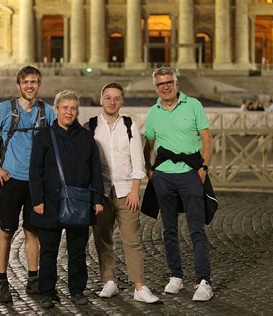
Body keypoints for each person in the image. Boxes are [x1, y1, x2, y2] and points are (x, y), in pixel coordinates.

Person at [0, 66, 56, 303]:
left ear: (39, 85)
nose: (30, 86)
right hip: (11, 180)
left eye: (34, 82)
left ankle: (33, 279)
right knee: (6, 232)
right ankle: (2, 281)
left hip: (36, 183)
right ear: (18, 85)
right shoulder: (4, 109)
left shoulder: (46, 112)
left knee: (33, 232)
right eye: (26, 82)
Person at [143, 67, 214, 302]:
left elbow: (206, 138)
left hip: (190, 174)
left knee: (196, 229)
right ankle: (175, 276)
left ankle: (204, 281)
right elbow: (149, 143)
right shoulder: (153, 112)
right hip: (164, 176)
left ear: (176, 83)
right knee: (169, 230)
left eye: (169, 82)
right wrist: (149, 169)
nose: (165, 86)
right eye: (160, 84)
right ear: (156, 87)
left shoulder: (193, 105)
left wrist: (203, 168)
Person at [29, 90, 104, 309]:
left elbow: (95, 170)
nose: (69, 112)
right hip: (49, 203)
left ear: (77, 110)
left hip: (79, 201)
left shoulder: (86, 137)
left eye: (73, 108)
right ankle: (46, 292)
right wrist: (37, 201)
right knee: (49, 251)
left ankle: (77, 290)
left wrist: (97, 199)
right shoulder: (44, 136)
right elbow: (36, 171)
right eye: (65, 108)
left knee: (78, 251)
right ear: (57, 110)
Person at [89, 83, 159, 303]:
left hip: (126, 190)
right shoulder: (90, 126)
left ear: (122, 101)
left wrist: (136, 190)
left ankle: (139, 286)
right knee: (102, 238)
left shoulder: (129, 125)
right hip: (101, 191)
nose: (112, 102)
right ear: (101, 100)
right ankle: (109, 281)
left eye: (116, 98)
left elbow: (138, 160)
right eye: (108, 97)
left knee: (132, 239)